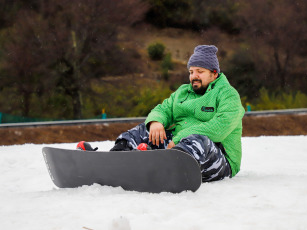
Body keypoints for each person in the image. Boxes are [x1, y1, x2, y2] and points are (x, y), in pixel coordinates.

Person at [78, 45, 245, 182]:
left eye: (199, 71)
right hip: (178, 150)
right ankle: (116, 159)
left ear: (214, 73)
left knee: (200, 139)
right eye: (191, 72)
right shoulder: (183, 92)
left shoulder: (228, 95)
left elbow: (220, 128)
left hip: (219, 159)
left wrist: (180, 138)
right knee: (146, 129)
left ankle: (166, 167)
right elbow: (163, 109)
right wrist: (156, 122)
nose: (194, 76)